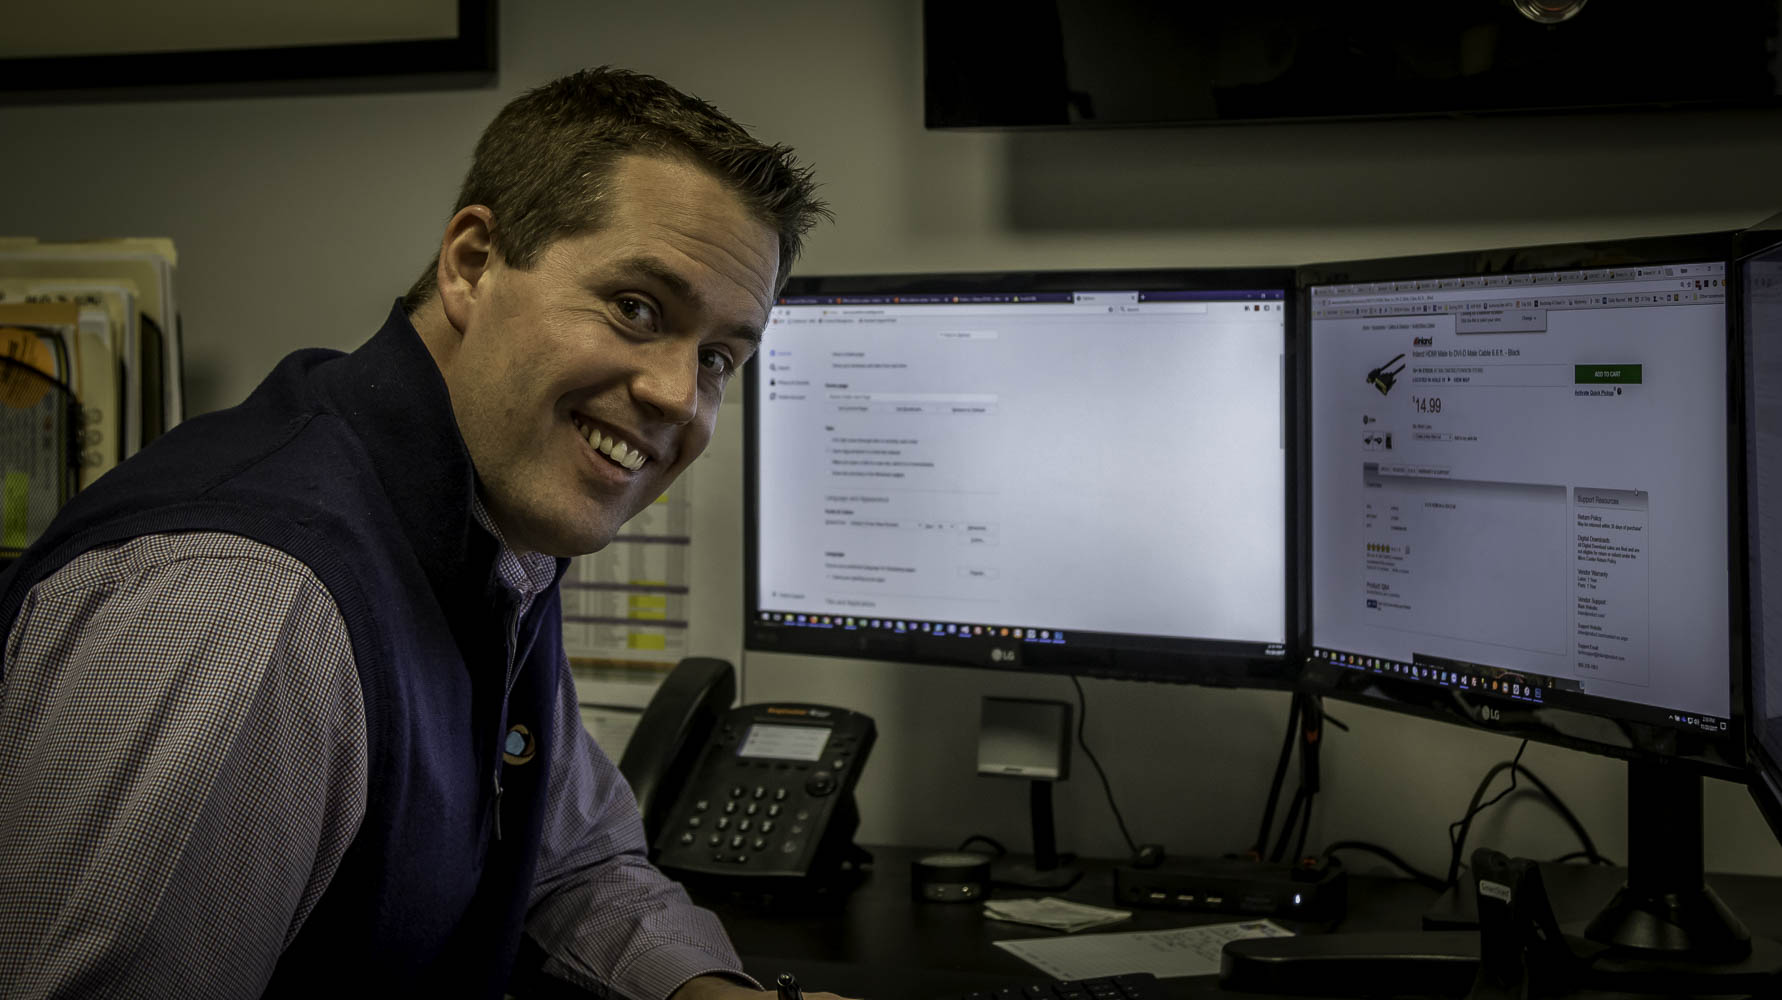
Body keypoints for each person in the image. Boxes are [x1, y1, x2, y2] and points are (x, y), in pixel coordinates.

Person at [0, 68, 842, 1000]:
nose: (679, 396)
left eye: (718, 358)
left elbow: (571, 861)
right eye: (636, 308)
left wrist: (707, 994)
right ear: (473, 264)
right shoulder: (251, 604)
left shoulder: (490, 524)